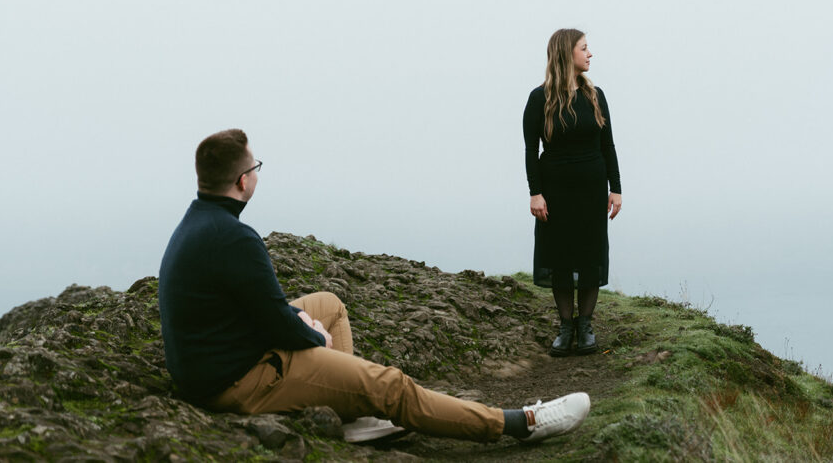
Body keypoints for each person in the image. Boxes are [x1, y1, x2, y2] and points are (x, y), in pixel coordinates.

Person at [159, 128, 591, 444]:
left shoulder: (199, 222)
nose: (256, 173)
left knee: (327, 304)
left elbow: (258, 306)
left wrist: (302, 317)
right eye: (255, 167)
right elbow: (276, 325)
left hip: (218, 363)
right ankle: (516, 423)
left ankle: (351, 416)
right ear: (242, 181)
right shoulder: (235, 239)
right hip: (237, 383)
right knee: (390, 386)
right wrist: (309, 333)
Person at [522, 29, 622, 357]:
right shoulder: (540, 98)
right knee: (560, 257)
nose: (590, 54)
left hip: (592, 189)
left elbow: (607, 145)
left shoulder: (596, 95)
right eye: (584, 48)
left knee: (590, 256)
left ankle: (586, 326)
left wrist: (616, 188)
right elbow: (529, 150)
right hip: (555, 191)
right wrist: (535, 194)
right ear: (568, 54)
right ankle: (566, 327)